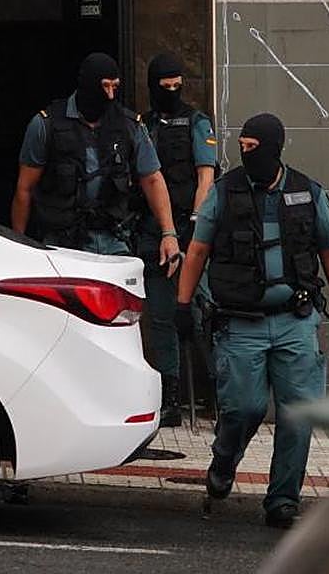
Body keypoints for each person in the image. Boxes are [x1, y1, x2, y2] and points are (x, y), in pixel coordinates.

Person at [173, 113, 329, 530]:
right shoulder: (224, 192)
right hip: (240, 324)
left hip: (296, 320)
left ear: (275, 148)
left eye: (254, 147)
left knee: (299, 414)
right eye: (243, 146)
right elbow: (197, 251)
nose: (245, 153)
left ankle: (282, 501)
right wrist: (183, 305)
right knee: (245, 408)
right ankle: (224, 462)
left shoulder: (307, 193)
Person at [12, 52, 181, 274]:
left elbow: (152, 179)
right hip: (63, 244)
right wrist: (19, 246)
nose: (111, 95)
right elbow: (25, 188)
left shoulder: (128, 125)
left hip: (115, 240)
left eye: (115, 86)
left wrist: (169, 234)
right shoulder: (47, 125)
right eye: (105, 86)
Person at [136, 52, 218, 427]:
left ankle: (220, 393)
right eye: (164, 85)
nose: (171, 90)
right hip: (154, 235)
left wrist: (192, 229)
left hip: (191, 234)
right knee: (162, 319)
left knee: (204, 314)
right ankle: (171, 395)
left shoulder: (197, 123)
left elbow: (206, 178)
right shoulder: (144, 124)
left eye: (176, 84)